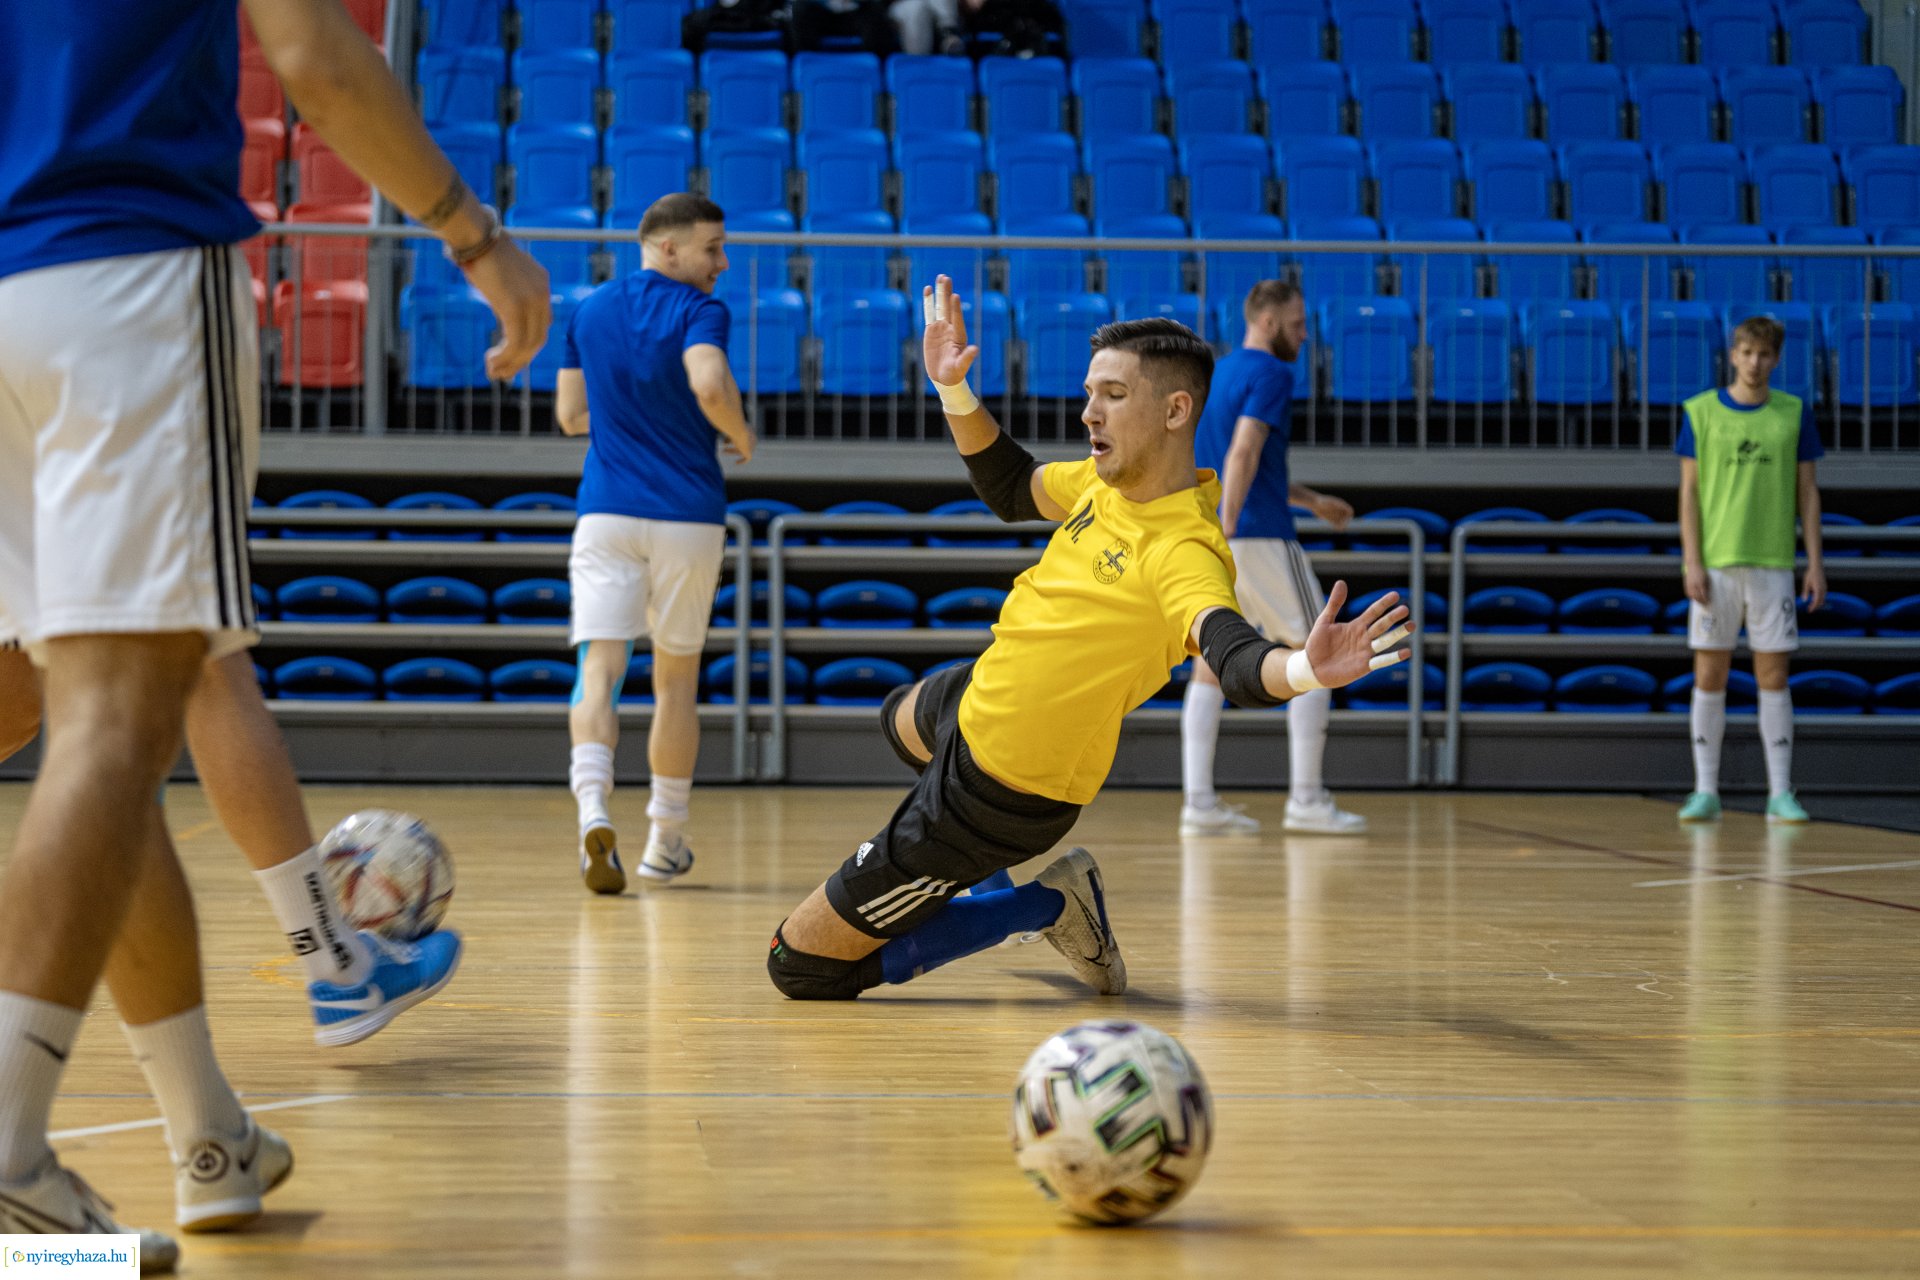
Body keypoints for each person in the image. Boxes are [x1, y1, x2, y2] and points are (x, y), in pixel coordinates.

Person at [0, 0, 549, 1268]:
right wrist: (475, 235)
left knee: (66, 718)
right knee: (118, 714)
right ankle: (12, 1153)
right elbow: (315, 54)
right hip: (118, 267)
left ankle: (209, 1135)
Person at [761, 278, 1411, 1003]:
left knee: (797, 965)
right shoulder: (1108, 484)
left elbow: (1233, 657)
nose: (1087, 412)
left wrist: (1304, 668)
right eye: (1088, 392)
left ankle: (1045, 905)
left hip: (1000, 791)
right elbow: (1011, 488)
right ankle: (974, 867)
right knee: (900, 716)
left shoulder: (1183, 550)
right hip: (975, 704)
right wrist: (953, 388)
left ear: (1175, 409)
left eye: (1111, 395)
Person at [557, 193, 755, 896]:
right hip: (687, 515)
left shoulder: (586, 311)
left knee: (598, 671)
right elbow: (707, 381)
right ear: (666, 248)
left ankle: (590, 812)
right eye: (711, 247)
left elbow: (570, 416)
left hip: (604, 513)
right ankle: (664, 842)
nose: (721, 263)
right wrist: (739, 432)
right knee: (674, 682)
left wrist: (626, 422)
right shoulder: (701, 311)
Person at [1179, 281, 1367, 838]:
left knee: (1208, 666)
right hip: (1254, 535)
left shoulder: (1217, 375)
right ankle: (1307, 799)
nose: (1306, 335)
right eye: (1297, 323)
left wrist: (1312, 501)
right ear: (1266, 321)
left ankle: (1199, 804)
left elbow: (1239, 465)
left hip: (1215, 535)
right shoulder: (1273, 375)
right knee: (1321, 651)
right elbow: (1244, 450)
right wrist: (1233, 521)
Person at [1676, 315, 1825, 825]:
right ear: (1732, 355)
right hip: (1716, 564)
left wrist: (1815, 563)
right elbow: (1689, 494)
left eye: (1764, 355)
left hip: (1773, 563)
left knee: (1773, 675)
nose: (1754, 363)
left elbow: (1808, 492)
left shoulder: (1793, 413)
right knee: (1709, 675)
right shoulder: (1700, 413)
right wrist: (1692, 561)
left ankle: (1780, 792)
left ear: (1776, 360)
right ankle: (1705, 790)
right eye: (1746, 353)